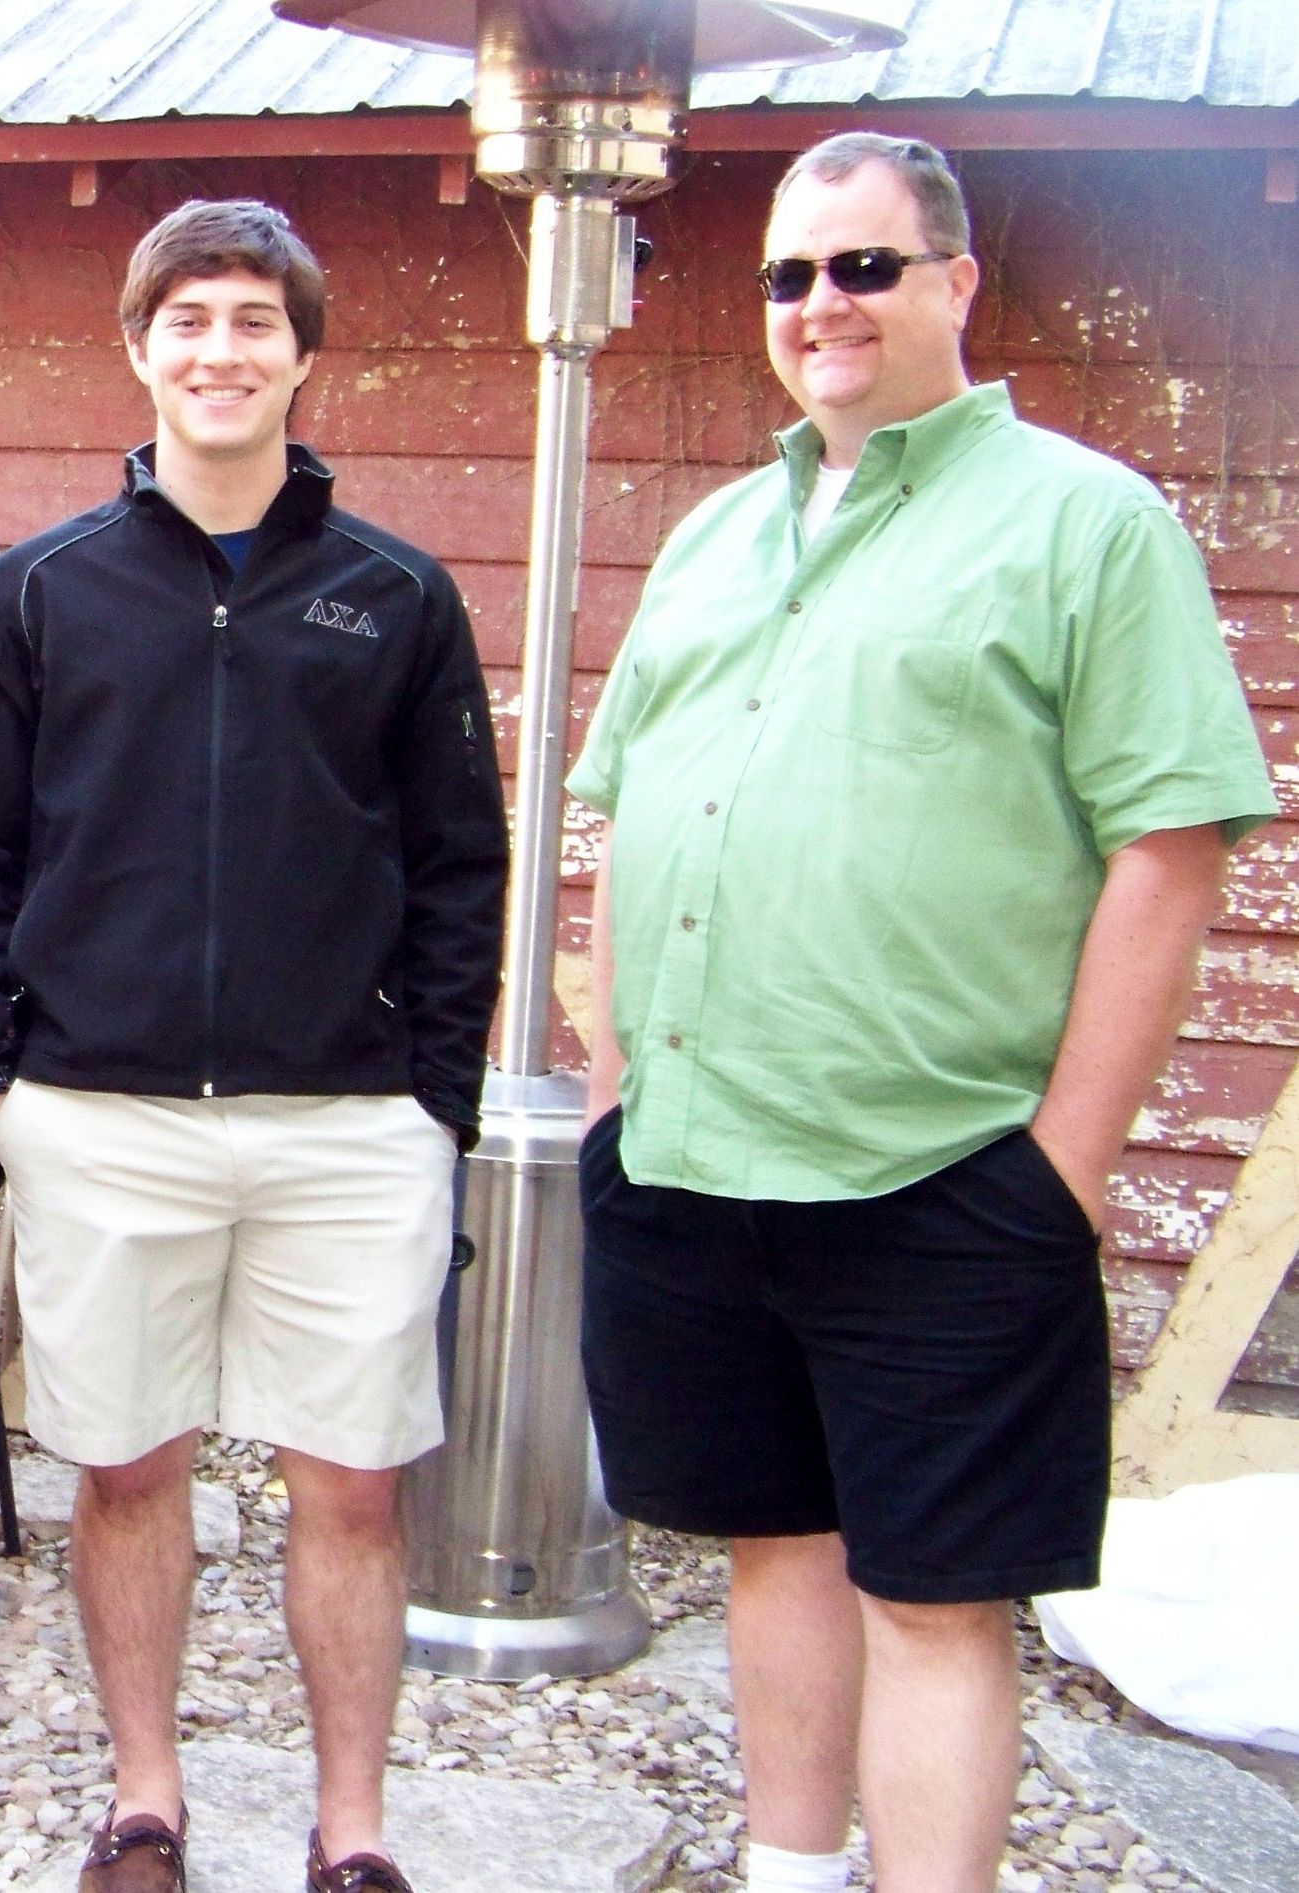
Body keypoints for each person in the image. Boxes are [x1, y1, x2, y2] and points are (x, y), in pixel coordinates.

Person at [570, 133, 1274, 1893]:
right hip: (695, 1158)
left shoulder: (1084, 523)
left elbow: (1168, 847)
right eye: (789, 275)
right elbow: (623, 815)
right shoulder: (714, 538)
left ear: (954, 284)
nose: (820, 303)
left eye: (863, 267)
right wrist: (608, 1089)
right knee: (773, 1546)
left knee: (939, 1604)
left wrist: (1060, 1169)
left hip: (943, 1171)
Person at [0, 199, 504, 1893]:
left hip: (348, 1122)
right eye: (187, 321)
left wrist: (435, 1104)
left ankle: (352, 1827)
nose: (220, 351)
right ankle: (144, 1799)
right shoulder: (41, 590)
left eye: (255, 321)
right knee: (128, 1472)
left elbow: (457, 864)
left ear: (302, 356)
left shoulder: (394, 595)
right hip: (99, 1116)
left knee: (353, 1488)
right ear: (139, 349)